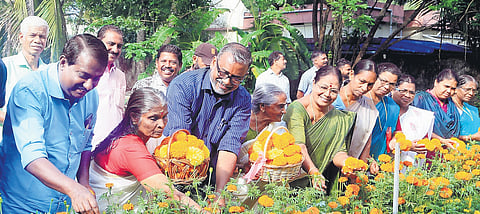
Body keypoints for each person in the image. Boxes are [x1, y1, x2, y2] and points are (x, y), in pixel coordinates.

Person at [0, 34, 108, 214]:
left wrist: (83, 184)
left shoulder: (90, 95)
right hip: (24, 204)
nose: (89, 85)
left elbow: (85, 144)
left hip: (64, 202)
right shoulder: (30, 90)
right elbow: (32, 157)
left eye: (97, 78)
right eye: (83, 76)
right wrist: (73, 189)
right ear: (63, 62)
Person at [163, 42, 252, 203]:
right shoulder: (184, 85)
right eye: (223, 72)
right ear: (213, 62)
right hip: (178, 171)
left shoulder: (243, 99)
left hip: (214, 174)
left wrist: (219, 193)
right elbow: (180, 138)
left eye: (236, 78)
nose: (226, 82)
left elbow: (230, 146)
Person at [89, 87, 200, 212]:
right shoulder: (130, 147)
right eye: (153, 118)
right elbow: (169, 193)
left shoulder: (133, 135)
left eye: (164, 117)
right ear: (135, 117)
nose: (162, 124)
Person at [283, 66, 356, 193]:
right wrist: (313, 171)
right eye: (323, 87)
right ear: (313, 83)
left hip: (320, 183)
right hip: (292, 181)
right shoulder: (297, 109)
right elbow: (299, 146)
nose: (327, 94)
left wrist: (347, 163)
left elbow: (339, 151)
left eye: (334, 91)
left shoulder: (337, 118)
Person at [332, 59, 379, 172]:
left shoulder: (369, 107)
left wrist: (360, 172)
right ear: (352, 74)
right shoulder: (330, 98)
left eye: (370, 85)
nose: (364, 88)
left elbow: (366, 141)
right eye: (362, 81)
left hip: (350, 167)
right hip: (323, 162)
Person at [1, 16, 49, 122]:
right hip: (7, 136)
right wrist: (17, 124)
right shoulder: (5, 66)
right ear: (21, 37)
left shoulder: (48, 73)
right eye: (32, 35)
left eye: (42, 36)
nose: (38, 40)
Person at [91, 25, 126, 149]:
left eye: (119, 46)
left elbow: (120, 111)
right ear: (98, 42)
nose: (115, 50)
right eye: (110, 44)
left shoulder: (120, 76)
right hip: (91, 144)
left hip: (115, 145)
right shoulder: (89, 73)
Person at [412, 68, 460, 148]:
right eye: (446, 86)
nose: (449, 91)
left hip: (448, 150)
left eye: (453, 88)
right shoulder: (421, 99)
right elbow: (417, 126)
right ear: (436, 82)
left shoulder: (451, 104)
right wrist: (441, 140)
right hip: (425, 148)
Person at [368, 62, 401, 160]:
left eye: (391, 84)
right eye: (383, 81)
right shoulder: (359, 101)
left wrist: (395, 139)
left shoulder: (393, 106)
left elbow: (397, 131)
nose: (387, 87)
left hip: (380, 161)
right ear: (374, 78)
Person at [389, 74, 428, 155]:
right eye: (403, 91)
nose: (407, 95)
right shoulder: (385, 109)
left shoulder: (420, 116)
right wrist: (407, 146)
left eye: (412, 92)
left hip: (410, 164)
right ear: (393, 89)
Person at [452, 75, 480, 143]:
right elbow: (445, 135)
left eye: (473, 91)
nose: (471, 93)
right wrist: (470, 137)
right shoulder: (448, 108)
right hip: (456, 150)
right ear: (455, 89)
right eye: (467, 89)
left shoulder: (473, 110)